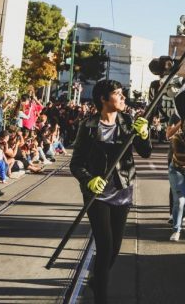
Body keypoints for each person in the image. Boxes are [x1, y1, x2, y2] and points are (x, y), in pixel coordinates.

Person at [70, 80, 151, 304]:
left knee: (115, 248)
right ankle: (101, 297)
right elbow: (76, 164)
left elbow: (145, 153)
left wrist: (144, 134)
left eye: (123, 93)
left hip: (123, 190)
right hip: (98, 194)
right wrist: (88, 180)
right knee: (104, 247)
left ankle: (98, 280)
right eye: (118, 94)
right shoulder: (88, 126)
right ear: (103, 100)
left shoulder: (128, 121)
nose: (123, 97)